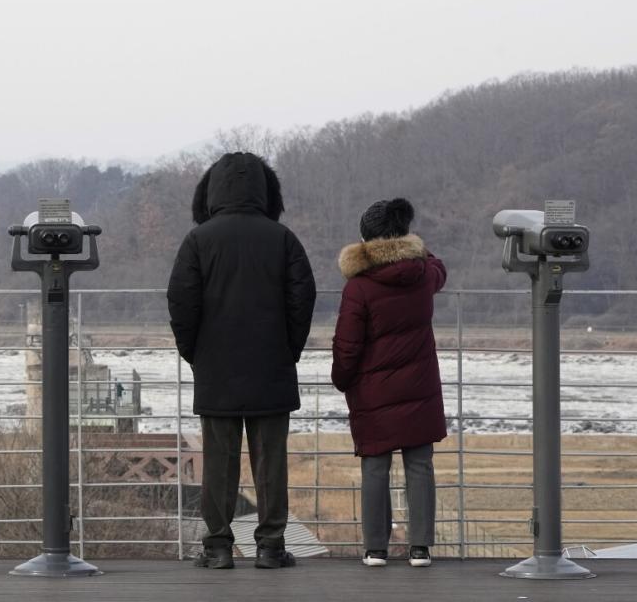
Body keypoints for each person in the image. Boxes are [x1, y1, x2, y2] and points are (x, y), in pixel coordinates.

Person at [167, 152, 317, 570]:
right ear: (266, 191)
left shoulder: (198, 241)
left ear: (211, 191)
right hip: (272, 366)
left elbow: (181, 301)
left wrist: (194, 352)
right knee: (271, 463)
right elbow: (302, 298)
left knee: (218, 463)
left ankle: (217, 546)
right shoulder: (282, 238)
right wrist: (290, 349)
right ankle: (270, 546)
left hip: (215, 369)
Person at [331, 198, 447, 568]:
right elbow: (439, 266)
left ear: (366, 238)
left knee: (375, 465)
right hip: (420, 386)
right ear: (405, 235)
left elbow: (347, 344)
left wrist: (341, 379)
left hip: (372, 390)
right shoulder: (423, 276)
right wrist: (418, 248)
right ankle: (420, 547)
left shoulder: (359, 287)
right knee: (419, 464)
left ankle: (376, 548)